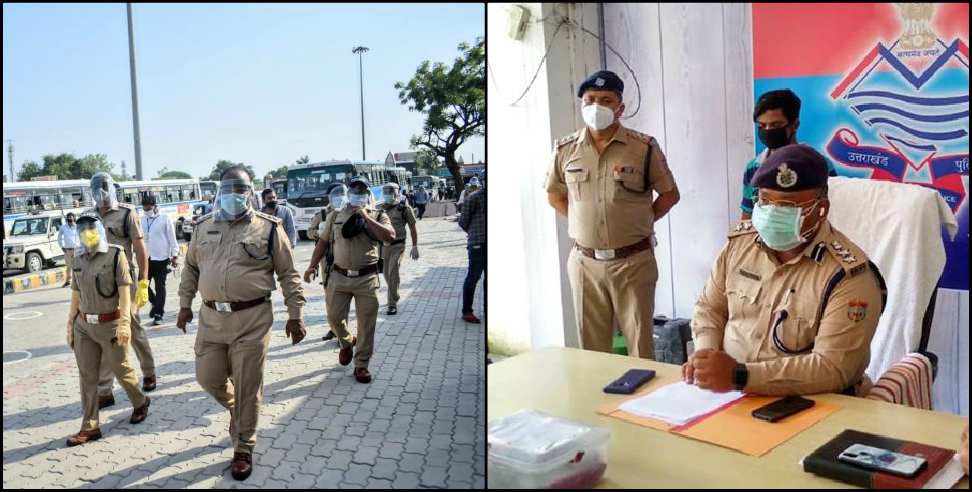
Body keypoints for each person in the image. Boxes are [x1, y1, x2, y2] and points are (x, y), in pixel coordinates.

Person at [685, 144, 884, 396]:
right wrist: (706, 355)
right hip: (727, 395)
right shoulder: (738, 247)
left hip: (809, 402)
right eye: (765, 201)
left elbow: (832, 368)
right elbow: (709, 309)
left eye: (788, 206)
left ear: (822, 209)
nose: (772, 213)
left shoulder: (849, 276)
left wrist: (739, 376)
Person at [177, 166, 306, 480]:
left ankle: (243, 447)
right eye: (229, 188)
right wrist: (184, 305)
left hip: (252, 319)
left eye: (240, 188)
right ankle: (241, 410)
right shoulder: (204, 226)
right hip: (211, 319)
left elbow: (288, 274)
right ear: (220, 191)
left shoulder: (269, 228)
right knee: (208, 378)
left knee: (248, 386)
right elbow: (191, 268)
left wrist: (296, 314)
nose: (234, 194)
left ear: (250, 191)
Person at [545, 70, 681, 359]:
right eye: (590, 99)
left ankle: (641, 402)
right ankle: (595, 402)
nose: (597, 106)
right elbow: (554, 195)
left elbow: (670, 195)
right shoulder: (565, 149)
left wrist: (638, 223)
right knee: (591, 351)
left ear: (619, 108)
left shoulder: (644, 147)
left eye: (606, 100)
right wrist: (584, 224)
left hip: (634, 262)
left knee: (640, 345)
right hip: (585, 262)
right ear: (582, 105)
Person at [65, 212, 150, 446]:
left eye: (91, 229)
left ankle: (140, 401)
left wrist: (125, 323)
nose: (86, 234)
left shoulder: (115, 255)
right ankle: (90, 426)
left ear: (100, 231)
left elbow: (125, 292)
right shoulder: (78, 259)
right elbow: (75, 294)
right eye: (81, 231)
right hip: (85, 326)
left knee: (121, 370)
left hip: (110, 324)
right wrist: (70, 324)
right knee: (87, 377)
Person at [304, 176, 395, 384]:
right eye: (354, 190)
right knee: (334, 318)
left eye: (362, 191)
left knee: (367, 325)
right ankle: (346, 342)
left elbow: (390, 235)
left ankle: (361, 365)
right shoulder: (336, 215)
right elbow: (323, 243)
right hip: (339, 276)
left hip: (367, 278)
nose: (357, 194)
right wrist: (311, 266)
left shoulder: (379, 214)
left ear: (367, 194)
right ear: (349, 193)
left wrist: (365, 216)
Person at [85, 172, 158, 404]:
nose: (100, 192)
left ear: (112, 188)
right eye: (96, 188)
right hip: (100, 282)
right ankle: (105, 390)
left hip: (125, 278)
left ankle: (148, 372)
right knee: (105, 331)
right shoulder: (89, 216)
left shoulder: (127, 213)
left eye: (104, 187)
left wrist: (144, 281)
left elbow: (140, 248)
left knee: (133, 326)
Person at [741, 89, 837, 220]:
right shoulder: (753, 168)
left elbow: (833, 212)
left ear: (795, 124)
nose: (768, 131)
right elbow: (747, 217)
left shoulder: (819, 164)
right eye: (762, 126)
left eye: (776, 124)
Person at [378, 182, 419, 315]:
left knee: (393, 272)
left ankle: (392, 304)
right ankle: (394, 294)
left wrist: (415, 246)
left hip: (398, 245)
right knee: (386, 273)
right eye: (386, 192)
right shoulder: (379, 208)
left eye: (391, 191)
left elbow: (412, 228)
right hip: (384, 246)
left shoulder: (404, 208)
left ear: (397, 193)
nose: (388, 194)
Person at [307, 184, 341, 342]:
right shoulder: (321, 214)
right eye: (336, 194)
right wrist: (320, 232)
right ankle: (334, 328)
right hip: (327, 258)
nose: (339, 196)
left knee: (344, 295)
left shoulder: (350, 211)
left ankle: (342, 330)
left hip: (345, 258)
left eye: (342, 193)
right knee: (330, 295)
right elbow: (309, 231)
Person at [140, 195, 180, 325]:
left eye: (149, 206)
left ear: (154, 205)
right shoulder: (141, 220)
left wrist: (175, 255)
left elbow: (172, 237)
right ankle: (155, 303)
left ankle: (159, 314)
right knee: (142, 284)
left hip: (162, 258)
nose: (146, 208)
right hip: (146, 258)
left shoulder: (164, 218)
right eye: (144, 206)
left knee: (160, 287)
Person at [458, 183, 485, 323]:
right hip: (477, 244)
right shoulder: (474, 198)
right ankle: (467, 311)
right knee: (473, 277)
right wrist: (475, 233)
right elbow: (462, 221)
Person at [58, 212, 80, 288]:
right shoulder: (63, 227)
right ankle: (68, 281)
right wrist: (62, 246)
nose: (70, 219)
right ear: (66, 218)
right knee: (68, 267)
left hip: (76, 249)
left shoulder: (78, 227)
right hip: (67, 250)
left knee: (77, 266)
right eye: (68, 217)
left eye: (71, 217)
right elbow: (59, 238)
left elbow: (81, 237)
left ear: (74, 218)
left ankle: (78, 281)